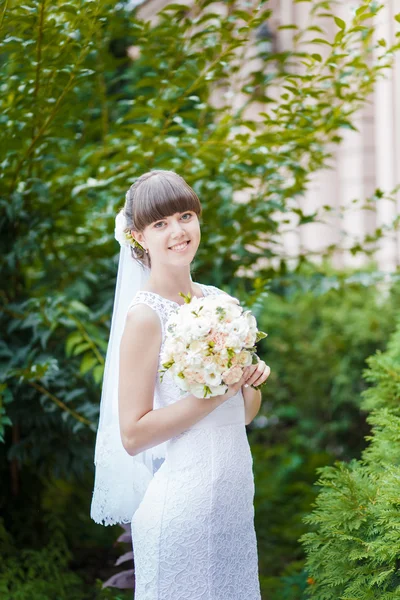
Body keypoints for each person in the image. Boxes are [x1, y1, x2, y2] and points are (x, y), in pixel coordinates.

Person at [92, 170, 271, 600]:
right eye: (160, 223)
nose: (178, 231)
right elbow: (133, 436)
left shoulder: (220, 303)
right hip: (183, 509)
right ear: (137, 236)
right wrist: (213, 396)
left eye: (185, 215)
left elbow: (243, 414)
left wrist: (251, 384)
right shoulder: (144, 317)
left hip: (232, 503)